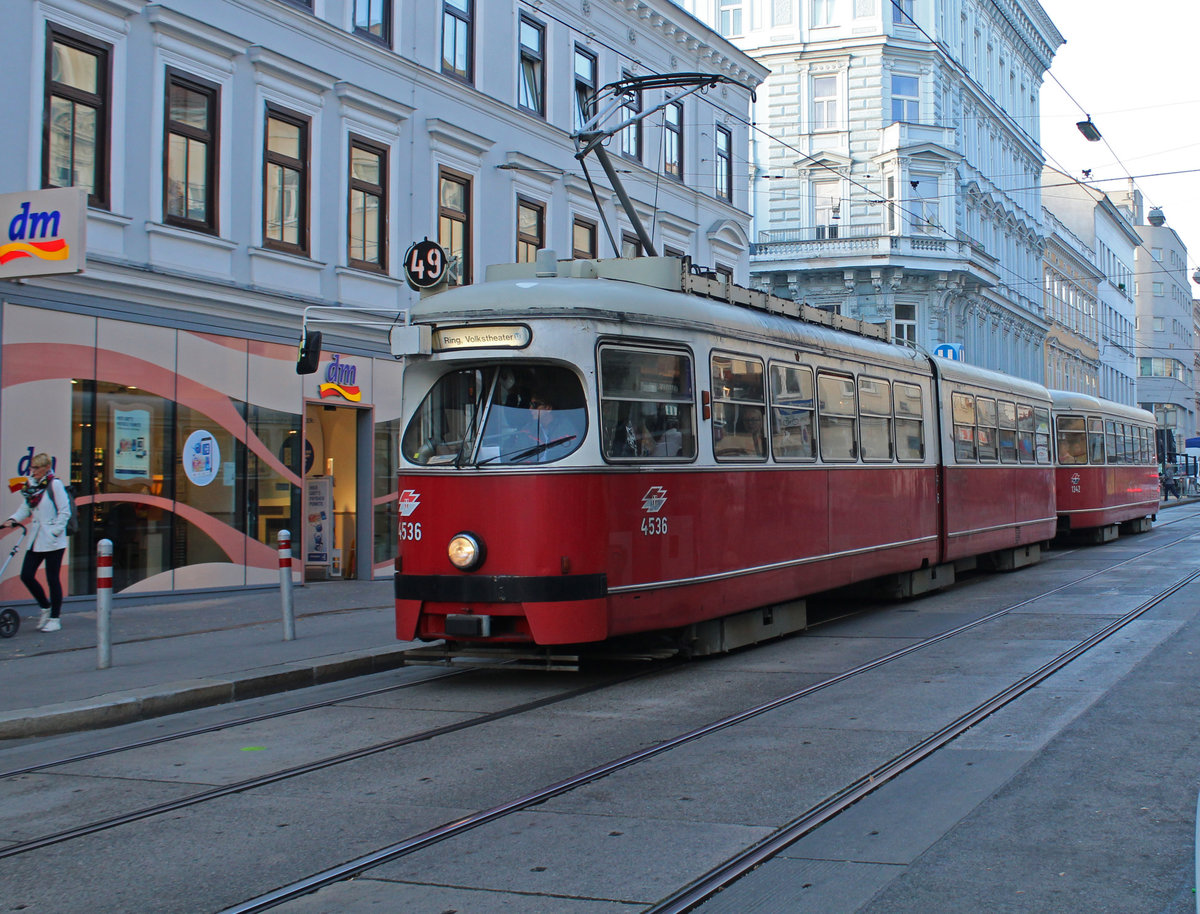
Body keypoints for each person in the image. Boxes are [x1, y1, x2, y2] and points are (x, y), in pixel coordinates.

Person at [3, 453, 71, 632]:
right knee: (26, 575)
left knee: (52, 578)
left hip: (54, 541)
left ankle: (55, 618)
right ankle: (45, 607)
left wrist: (55, 531)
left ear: (46, 468)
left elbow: (65, 511)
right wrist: (12, 520)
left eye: (35, 468)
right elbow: (25, 508)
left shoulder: (54, 485)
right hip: (37, 539)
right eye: (32, 468)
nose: (32, 471)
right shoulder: (31, 486)